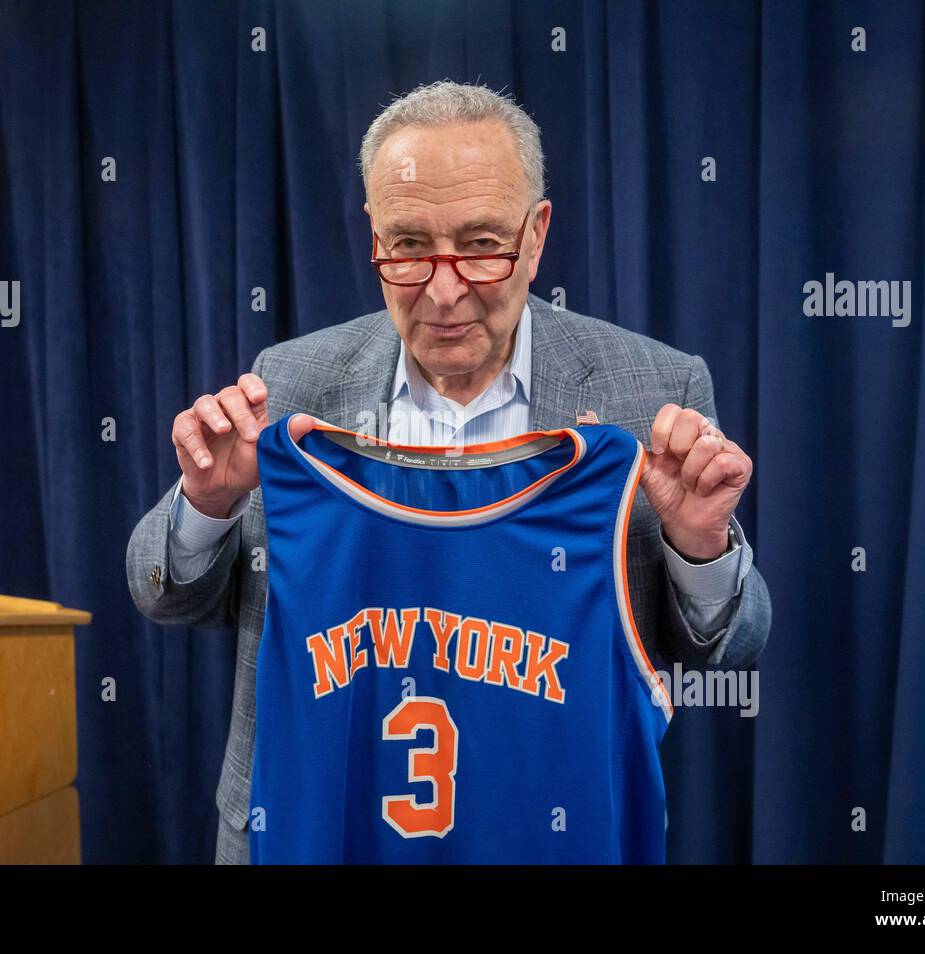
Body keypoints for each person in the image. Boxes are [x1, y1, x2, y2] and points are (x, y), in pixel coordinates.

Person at [127, 80, 771, 864]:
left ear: (536, 235)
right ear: (373, 234)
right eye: (407, 246)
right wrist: (208, 502)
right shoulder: (291, 385)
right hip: (317, 834)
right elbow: (160, 594)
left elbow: (730, 647)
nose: (443, 288)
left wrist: (700, 548)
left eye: (480, 245)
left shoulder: (653, 394)